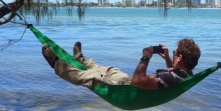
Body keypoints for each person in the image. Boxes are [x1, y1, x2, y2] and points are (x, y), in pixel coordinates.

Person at [41, 38, 201, 90]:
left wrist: (146, 57)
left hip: (128, 89)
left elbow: (138, 80)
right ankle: (82, 60)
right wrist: (167, 58)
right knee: (108, 69)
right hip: (127, 83)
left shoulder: (170, 77)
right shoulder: (185, 74)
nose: (172, 55)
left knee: (90, 77)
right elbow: (173, 71)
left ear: (179, 58)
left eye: (174, 53)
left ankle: (56, 63)